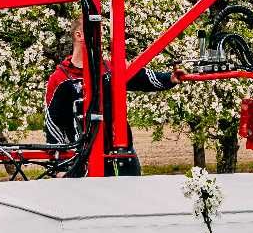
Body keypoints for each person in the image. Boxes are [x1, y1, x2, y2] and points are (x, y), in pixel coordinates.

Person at [43, 11, 178, 163]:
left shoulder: (108, 69)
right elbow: (53, 123)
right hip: (80, 159)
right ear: (79, 35)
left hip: (120, 154)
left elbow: (140, 76)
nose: (100, 37)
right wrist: (59, 166)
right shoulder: (60, 79)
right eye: (94, 31)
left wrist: (170, 78)